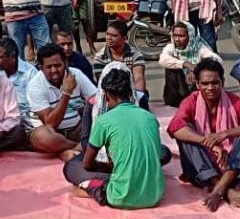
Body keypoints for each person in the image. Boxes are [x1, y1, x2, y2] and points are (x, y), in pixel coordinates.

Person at [167, 59, 240, 212]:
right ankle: (224, 189)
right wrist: (208, 143)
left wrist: (225, 134)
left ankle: (218, 189)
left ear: (223, 82)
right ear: (197, 84)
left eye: (215, 83)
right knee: (185, 133)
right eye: (205, 84)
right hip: (199, 171)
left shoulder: (234, 101)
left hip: (230, 167)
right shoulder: (191, 101)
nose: (210, 88)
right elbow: (174, 127)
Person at [63, 68, 167, 208]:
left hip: (120, 197)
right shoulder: (150, 117)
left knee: (71, 167)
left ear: (105, 96)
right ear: (131, 93)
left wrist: (105, 166)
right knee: (163, 152)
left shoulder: (103, 121)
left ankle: (98, 189)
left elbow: (87, 164)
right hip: (155, 195)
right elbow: (157, 153)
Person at [26, 43, 97, 160]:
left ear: (65, 63)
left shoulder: (76, 74)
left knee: (104, 129)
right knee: (45, 138)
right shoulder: (35, 85)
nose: (54, 70)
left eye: (58, 65)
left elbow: (96, 100)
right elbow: (51, 123)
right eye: (49, 67)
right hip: (50, 131)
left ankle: (68, 151)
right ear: (41, 68)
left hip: (76, 127)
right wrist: (67, 92)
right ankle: (80, 148)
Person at [159, 22, 222, 107]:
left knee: (208, 69)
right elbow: (162, 59)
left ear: (190, 36)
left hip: (195, 91)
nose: (177, 39)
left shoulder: (199, 47)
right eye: (175, 35)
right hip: (177, 94)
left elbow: (217, 60)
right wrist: (185, 64)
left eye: (181, 36)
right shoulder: (171, 47)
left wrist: (197, 70)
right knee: (171, 66)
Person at [0, 37, 38, 130]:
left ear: (12, 56)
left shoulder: (30, 73)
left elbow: (35, 106)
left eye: (0, 57)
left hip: (26, 120)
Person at [93, 21, 147, 98]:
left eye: (114, 36)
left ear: (124, 38)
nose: (109, 38)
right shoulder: (99, 57)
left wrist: (138, 97)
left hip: (131, 92)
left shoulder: (135, 55)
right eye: (107, 34)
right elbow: (102, 83)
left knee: (143, 98)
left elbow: (138, 79)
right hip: (110, 95)